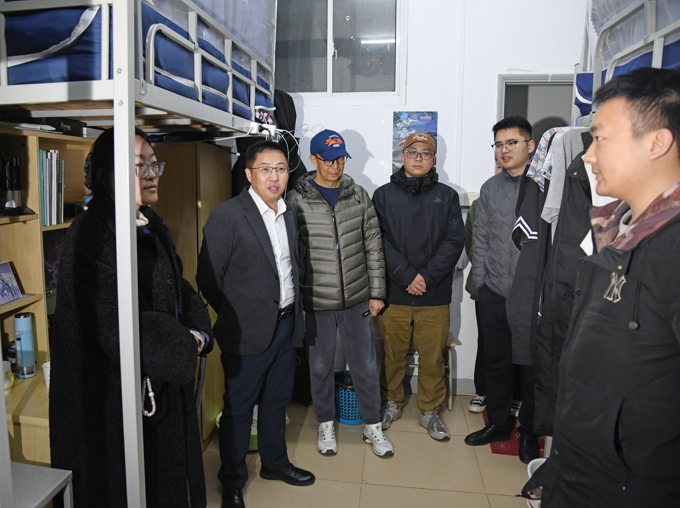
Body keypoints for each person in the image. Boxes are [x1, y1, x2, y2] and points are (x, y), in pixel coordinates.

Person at [525, 68, 680, 507]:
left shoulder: (672, 248)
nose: (588, 156)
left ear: (657, 142)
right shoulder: (619, 231)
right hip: (584, 476)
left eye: (600, 139)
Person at [50, 128, 214, 507]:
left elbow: (179, 286)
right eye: (140, 166)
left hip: (156, 385)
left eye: (154, 164)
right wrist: (184, 342)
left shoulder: (147, 222)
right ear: (107, 176)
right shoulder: (91, 234)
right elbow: (115, 324)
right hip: (111, 401)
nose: (152, 173)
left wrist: (200, 333)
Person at [196, 140, 314, 508]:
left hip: (286, 324)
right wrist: (237, 315)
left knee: (277, 401)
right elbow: (208, 278)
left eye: (280, 168)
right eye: (265, 169)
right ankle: (232, 481)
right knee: (238, 409)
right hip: (245, 332)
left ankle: (275, 463)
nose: (274, 176)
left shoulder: (289, 213)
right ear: (249, 174)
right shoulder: (227, 216)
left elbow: (292, 267)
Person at [286, 129, 393, 457]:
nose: (336, 166)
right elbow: (293, 256)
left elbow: (373, 245)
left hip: (357, 298)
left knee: (365, 365)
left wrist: (377, 292)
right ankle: (325, 424)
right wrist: (299, 303)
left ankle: (372, 425)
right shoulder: (296, 200)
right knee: (319, 368)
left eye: (341, 159)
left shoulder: (358, 195)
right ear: (313, 159)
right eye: (329, 160)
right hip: (317, 302)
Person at [372, 132, 464, 440]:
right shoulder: (383, 195)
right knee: (392, 355)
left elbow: (454, 242)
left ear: (434, 159)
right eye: (413, 152)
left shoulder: (447, 197)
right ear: (403, 156)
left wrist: (426, 277)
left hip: (433, 294)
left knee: (432, 356)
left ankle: (430, 410)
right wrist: (407, 275)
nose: (419, 158)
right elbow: (378, 240)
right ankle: (391, 403)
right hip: (395, 292)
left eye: (426, 153)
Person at [464, 116, 540, 464]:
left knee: (531, 368)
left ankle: (529, 431)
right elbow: (479, 239)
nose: (504, 150)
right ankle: (497, 422)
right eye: (499, 144)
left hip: (531, 297)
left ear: (530, 146)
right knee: (496, 363)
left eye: (512, 143)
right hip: (494, 291)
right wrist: (481, 282)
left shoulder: (544, 187)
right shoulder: (491, 188)